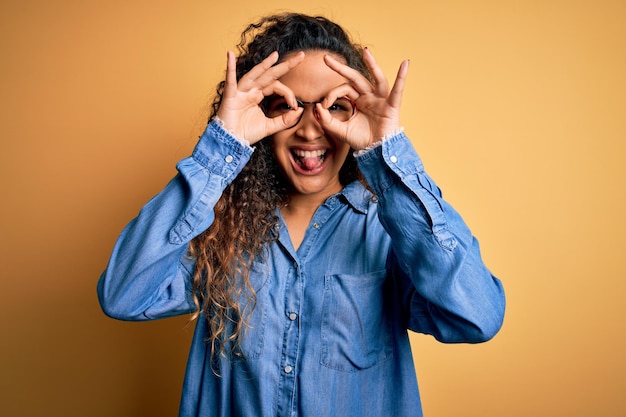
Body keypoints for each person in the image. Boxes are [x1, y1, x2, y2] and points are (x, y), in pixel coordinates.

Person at [97, 12, 505, 417]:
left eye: (336, 107)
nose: (311, 130)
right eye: (285, 105)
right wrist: (220, 149)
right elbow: (124, 295)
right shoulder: (218, 225)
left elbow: (477, 316)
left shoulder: (390, 231)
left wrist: (387, 153)